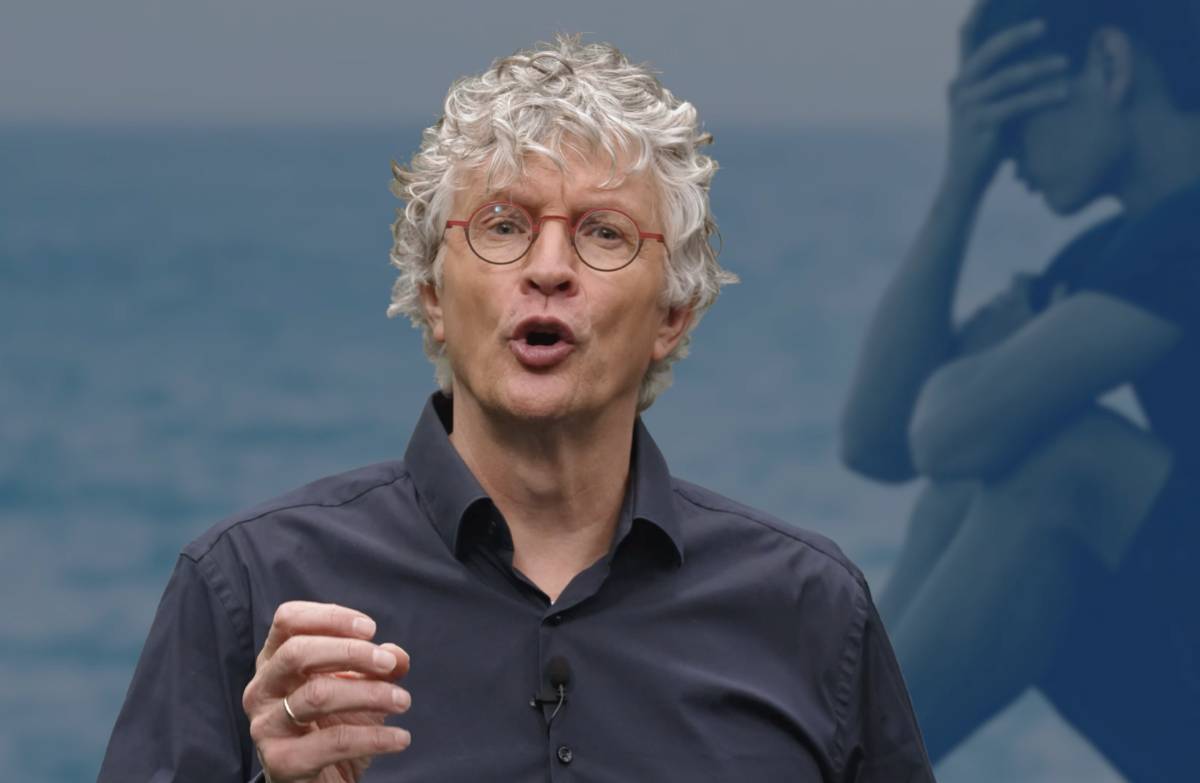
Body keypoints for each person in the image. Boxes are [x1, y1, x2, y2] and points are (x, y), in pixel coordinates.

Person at [99, 35, 935, 782]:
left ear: (673, 315)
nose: (549, 268)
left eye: (604, 233)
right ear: (432, 292)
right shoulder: (249, 588)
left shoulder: (811, 607)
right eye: (502, 226)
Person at [839, 0, 1200, 778]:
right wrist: (958, 187)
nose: (1003, 156)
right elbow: (881, 440)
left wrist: (976, 388)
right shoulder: (1119, 254)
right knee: (973, 484)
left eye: (1005, 120)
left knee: (1064, 464)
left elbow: (946, 430)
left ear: (1111, 66)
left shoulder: (1183, 239)